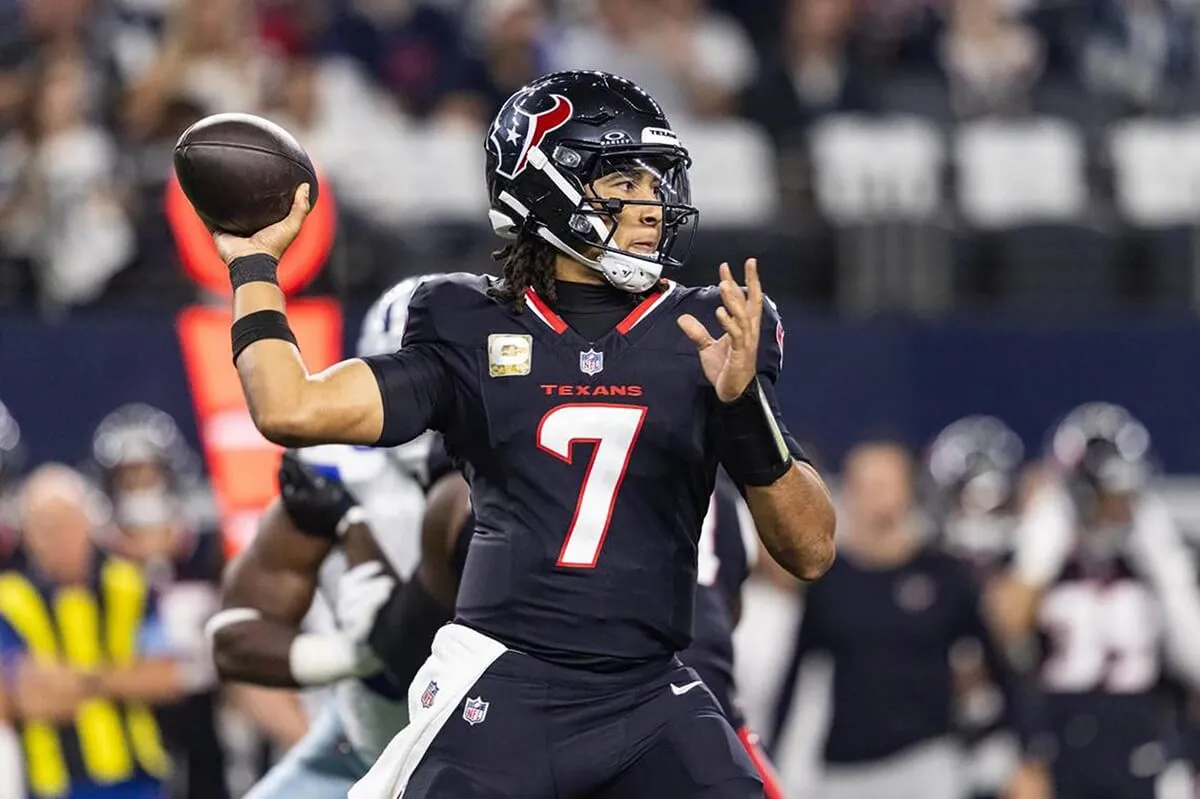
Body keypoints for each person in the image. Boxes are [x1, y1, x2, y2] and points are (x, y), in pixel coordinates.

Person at [210, 69, 836, 799]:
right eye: (624, 180)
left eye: (655, 178)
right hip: (503, 685)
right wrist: (254, 264)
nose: (652, 203)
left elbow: (812, 549)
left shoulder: (700, 328)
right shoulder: (467, 323)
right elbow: (290, 408)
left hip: (645, 692)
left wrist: (742, 408)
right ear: (546, 184)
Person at [383, 446, 787, 799]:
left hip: (539, 727)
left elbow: (400, 653)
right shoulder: (726, 504)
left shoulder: (478, 488)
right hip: (695, 722)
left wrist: (354, 533)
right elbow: (721, 623)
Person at [204, 276, 439, 799]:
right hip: (366, 740)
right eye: (415, 377)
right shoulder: (337, 469)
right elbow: (235, 637)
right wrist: (345, 655)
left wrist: (354, 532)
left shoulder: (524, 462)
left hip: (506, 743)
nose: (432, 400)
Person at [769, 442, 1018, 799]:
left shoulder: (944, 575)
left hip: (927, 763)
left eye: (885, 484)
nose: (875, 498)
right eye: (865, 486)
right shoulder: (828, 583)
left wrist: (1024, 750)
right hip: (845, 771)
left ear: (908, 490)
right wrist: (773, 760)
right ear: (846, 493)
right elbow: (795, 677)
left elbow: (1002, 669)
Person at [997, 403, 1200, 799]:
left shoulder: (1155, 554)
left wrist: (1170, 574)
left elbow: (1194, 661)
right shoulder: (1039, 558)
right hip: (1057, 747)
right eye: (1111, 494)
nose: (1122, 507)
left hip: (1145, 745)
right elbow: (1004, 632)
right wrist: (1039, 552)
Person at [0, 465, 207, 799]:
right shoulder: (8, 599)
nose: (60, 538)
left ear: (89, 523)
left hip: (141, 780)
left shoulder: (129, 585)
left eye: (68, 523)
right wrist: (122, 678)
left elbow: (169, 677)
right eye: (46, 528)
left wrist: (81, 681)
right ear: (28, 536)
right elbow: (17, 698)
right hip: (54, 786)